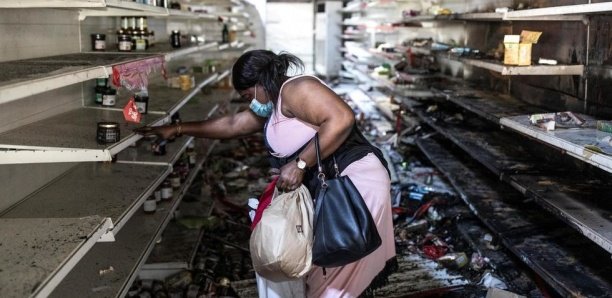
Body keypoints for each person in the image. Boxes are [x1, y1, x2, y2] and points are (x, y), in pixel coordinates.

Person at [137, 50, 396, 297]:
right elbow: (232, 125)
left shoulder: (296, 89)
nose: (249, 101)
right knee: (328, 273)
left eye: (248, 93)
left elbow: (341, 118)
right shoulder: (273, 104)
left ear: (261, 83)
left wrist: (300, 164)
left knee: (333, 275)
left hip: (354, 185)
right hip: (334, 187)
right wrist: (178, 129)